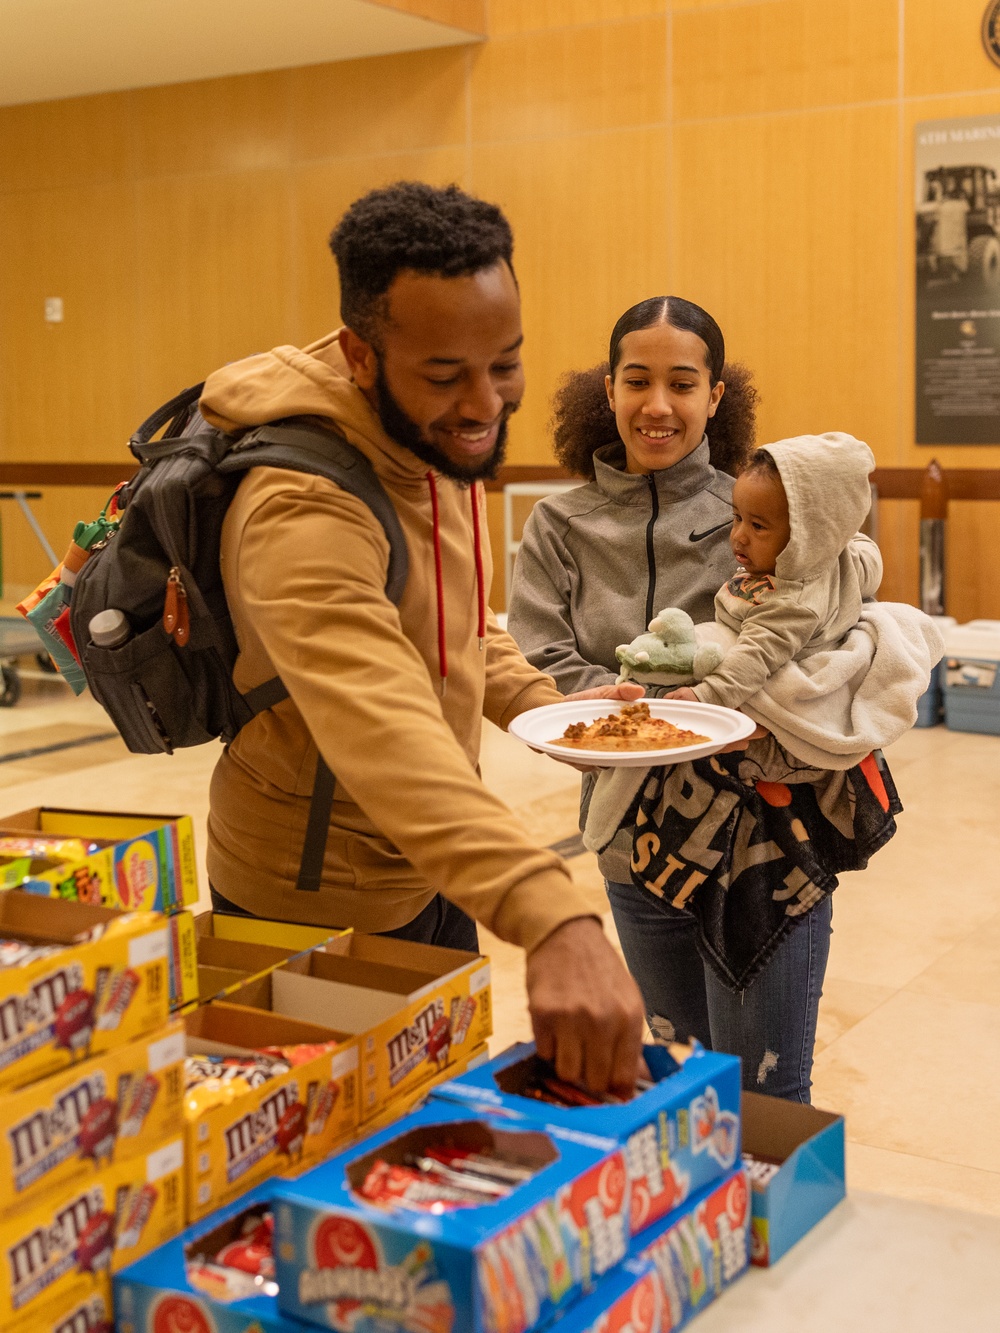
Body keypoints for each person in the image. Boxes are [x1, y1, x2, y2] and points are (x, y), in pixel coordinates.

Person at [199, 181, 645, 1095]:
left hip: (435, 864)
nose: (484, 402)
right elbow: (383, 726)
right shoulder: (302, 509)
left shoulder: (431, 439)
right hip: (310, 898)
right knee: (327, 1169)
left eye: (506, 363)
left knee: (427, 1133)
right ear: (362, 355)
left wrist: (544, 705)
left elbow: (452, 617)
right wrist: (554, 915)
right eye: (447, 374)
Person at [508, 294, 844, 1102]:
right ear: (609, 388)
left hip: (766, 837)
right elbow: (538, 659)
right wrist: (619, 701)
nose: (658, 406)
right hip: (631, 838)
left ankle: (762, 1229)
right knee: (681, 1081)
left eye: (683, 383)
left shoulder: (760, 509)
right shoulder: (558, 524)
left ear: (716, 395)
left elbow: (822, 637)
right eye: (637, 380)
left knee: (766, 1091)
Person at [665, 434, 883, 711]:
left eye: (758, 526)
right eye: (737, 518)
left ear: (806, 536)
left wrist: (706, 696)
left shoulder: (790, 603)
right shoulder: (831, 555)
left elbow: (754, 659)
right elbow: (867, 559)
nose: (738, 537)